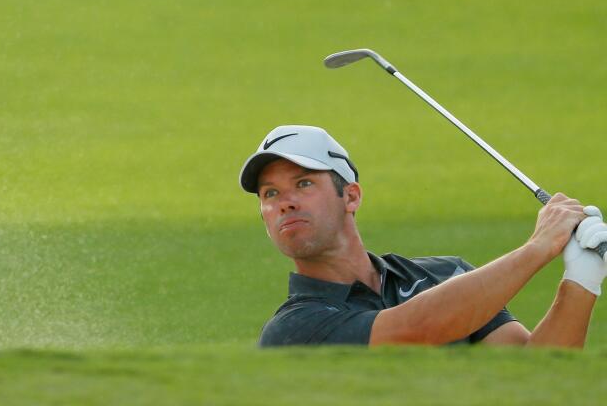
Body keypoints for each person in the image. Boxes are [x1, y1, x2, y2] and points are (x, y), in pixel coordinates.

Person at [239, 125, 607, 347]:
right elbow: (418, 329)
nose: (284, 203)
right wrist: (539, 246)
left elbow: (535, 375)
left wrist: (581, 278)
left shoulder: (447, 275)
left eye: (303, 183)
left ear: (350, 195)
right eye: (270, 194)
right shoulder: (294, 329)